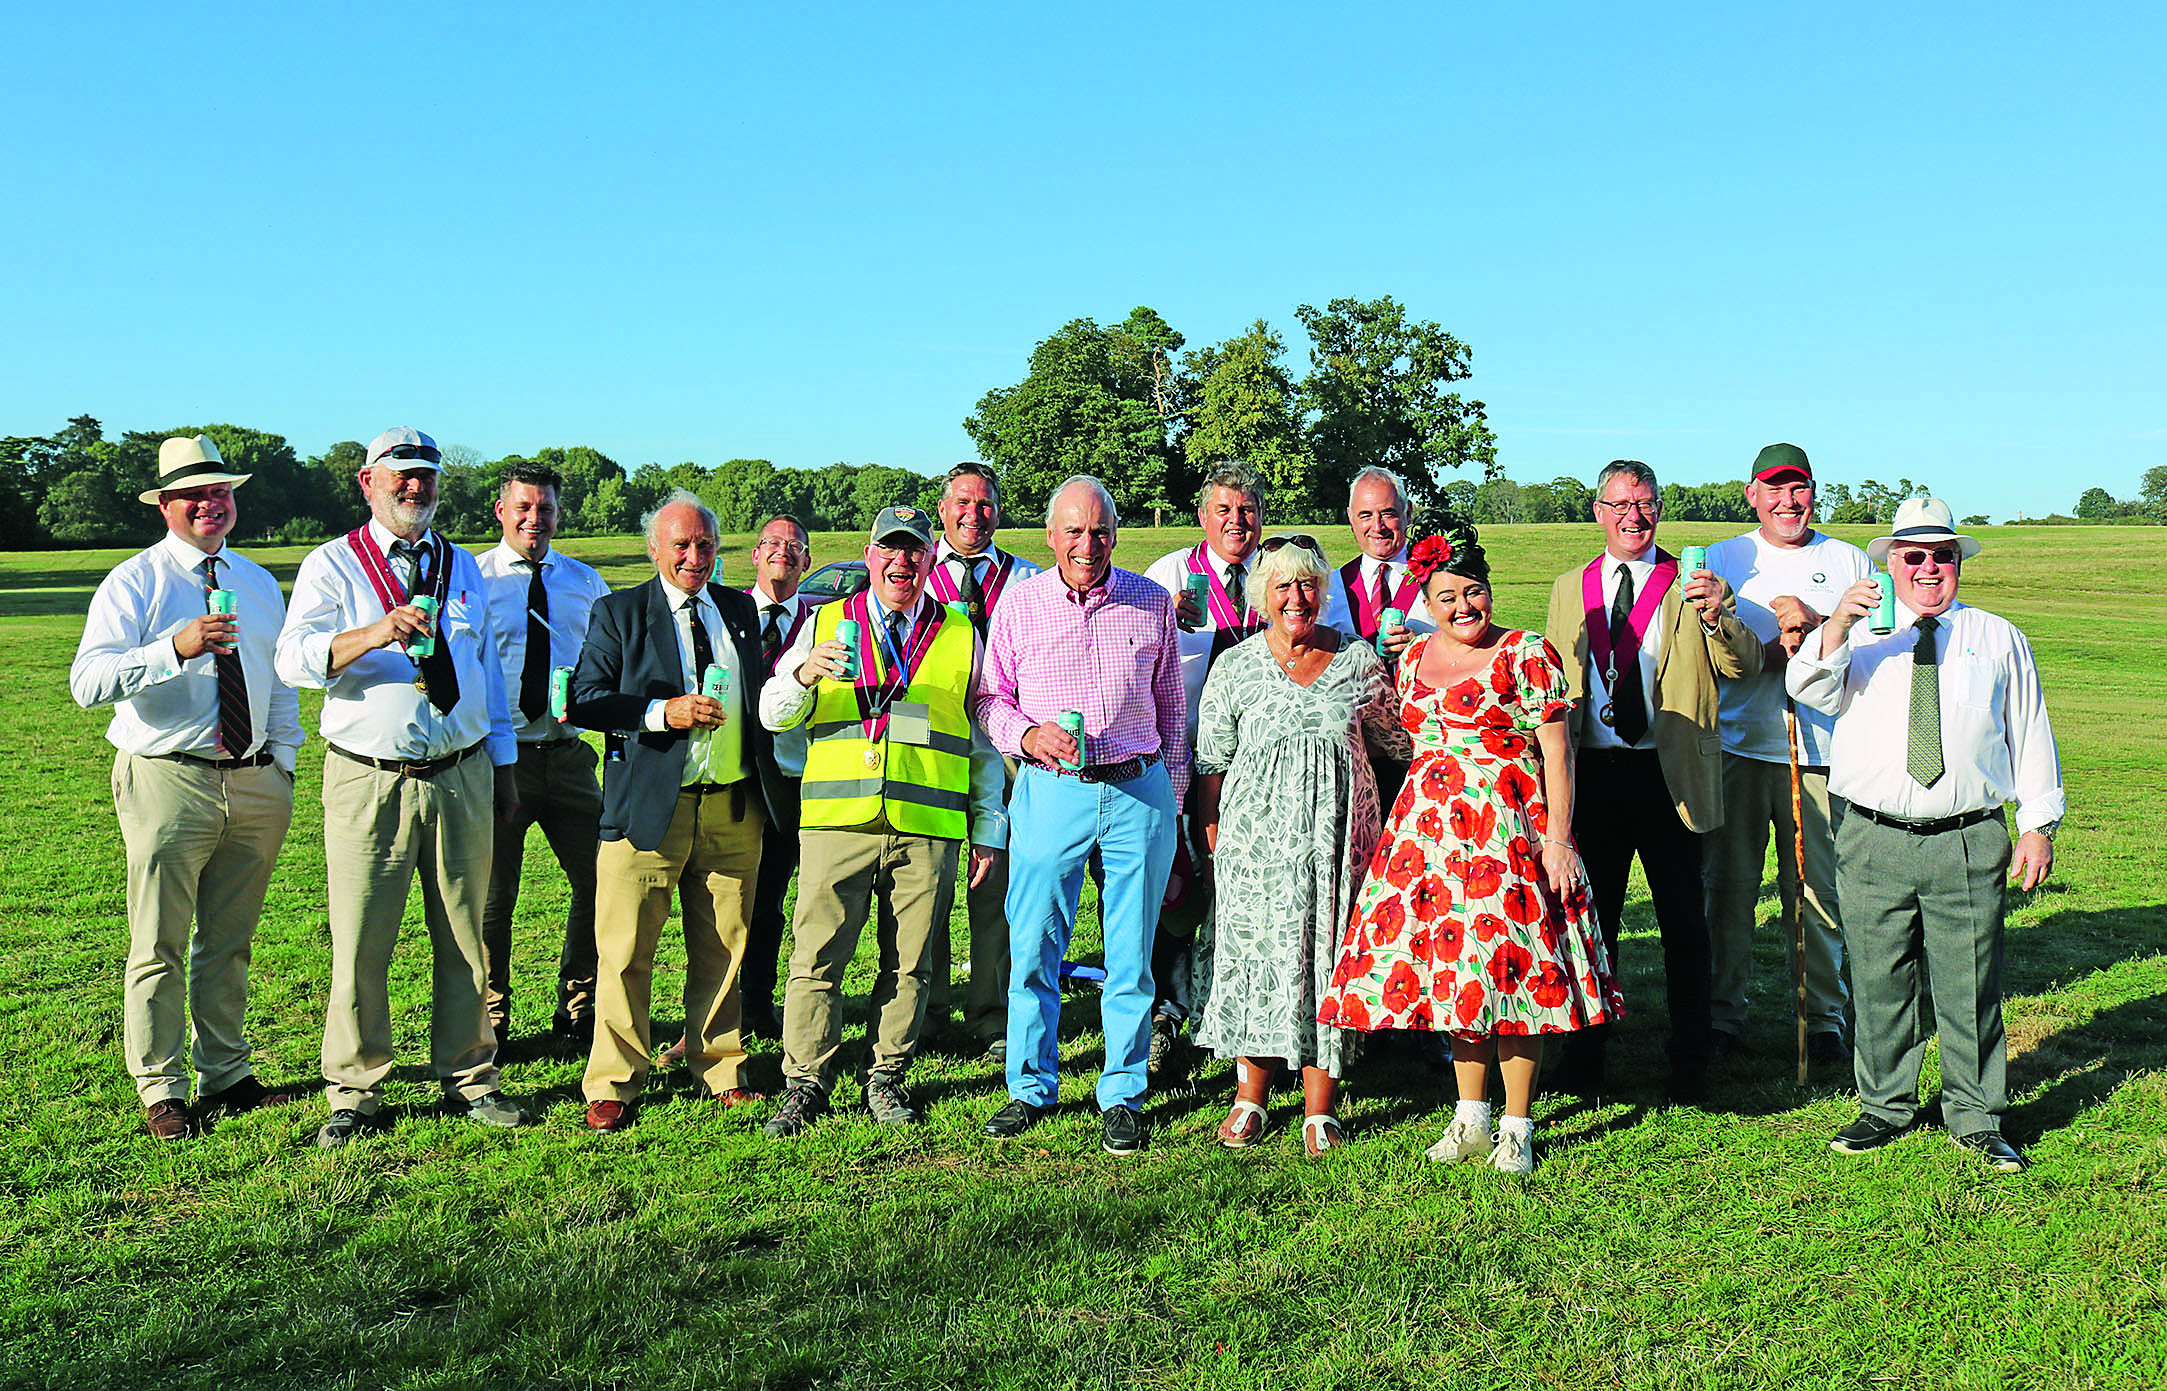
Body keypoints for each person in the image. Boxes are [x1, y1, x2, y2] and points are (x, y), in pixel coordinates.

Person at [1322, 524, 1621, 1174]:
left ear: (1489, 590)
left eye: (1473, 591)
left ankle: (1516, 1126)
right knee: (1459, 980)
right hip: (1430, 844)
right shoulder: (1408, 659)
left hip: (1508, 836)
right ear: (1424, 601)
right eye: (1447, 596)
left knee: (1515, 981)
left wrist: (1559, 841)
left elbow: (1558, 754)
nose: (1463, 607)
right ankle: (1468, 1119)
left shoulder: (1526, 652)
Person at [1790, 497, 2062, 1174]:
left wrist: (2036, 823)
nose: (1928, 567)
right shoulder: (1855, 633)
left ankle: (1975, 1116)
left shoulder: (1996, 636)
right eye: (1912, 555)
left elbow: (2028, 730)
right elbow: (1805, 690)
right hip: (1872, 835)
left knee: (1969, 981)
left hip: (1966, 836)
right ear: (1890, 562)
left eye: (1941, 554)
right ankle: (1883, 1106)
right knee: (1879, 976)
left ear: (1956, 562)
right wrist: (1836, 624)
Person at [275, 427, 528, 1148]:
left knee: (464, 938)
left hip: (462, 772)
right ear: (368, 482)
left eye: (427, 476)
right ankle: (354, 1091)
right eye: (402, 476)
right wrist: (374, 631)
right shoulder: (332, 565)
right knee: (361, 940)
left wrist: (503, 767)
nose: (416, 487)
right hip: (370, 778)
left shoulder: (461, 566)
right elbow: (294, 660)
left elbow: (487, 674)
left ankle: (471, 1076)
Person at [70, 434, 305, 1140]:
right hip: (168, 779)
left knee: (230, 941)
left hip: (256, 777)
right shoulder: (135, 582)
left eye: (222, 492)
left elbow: (280, 680)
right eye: (196, 495)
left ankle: (227, 1072)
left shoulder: (259, 581)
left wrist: (285, 761)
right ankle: (163, 1085)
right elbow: (87, 683)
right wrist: (174, 647)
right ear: (167, 505)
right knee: (160, 941)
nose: (212, 504)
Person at [758, 505, 1008, 1136]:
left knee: (913, 960)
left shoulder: (958, 633)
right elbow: (773, 714)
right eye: (889, 551)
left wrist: (986, 826)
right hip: (837, 820)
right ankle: (806, 1081)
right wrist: (803, 674)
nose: (902, 561)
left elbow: (979, 743)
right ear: (869, 557)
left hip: (926, 825)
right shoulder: (824, 622)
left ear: (931, 559)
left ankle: (887, 1075)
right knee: (816, 955)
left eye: (914, 551)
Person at [566, 490, 794, 1132]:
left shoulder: (740, 609)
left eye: (705, 545)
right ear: (655, 549)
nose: (695, 557)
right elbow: (583, 699)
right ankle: (614, 1080)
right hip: (648, 812)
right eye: (682, 546)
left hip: (732, 806)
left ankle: (719, 1067)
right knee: (626, 950)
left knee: (724, 946)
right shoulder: (619, 611)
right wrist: (658, 713)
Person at [975, 476, 1186, 1155]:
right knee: (1034, 942)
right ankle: (1029, 1084)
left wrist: (1174, 806)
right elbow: (988, 699)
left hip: (1136, 789)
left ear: (1115, 534)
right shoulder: (1019, 603)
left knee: (1130, 954)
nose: (1085, 544)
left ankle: (1121, 1089)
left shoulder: (1148, 600)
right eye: (1072, 531)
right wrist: (1027, 735)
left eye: (1098, 531)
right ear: (1049, 535)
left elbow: (1172, 711)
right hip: (1050, 790)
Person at [1542, 460, 1759, 1104]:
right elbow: (1551, 677)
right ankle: (1585, 1054)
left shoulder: (1689, 585)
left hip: (1670, 774)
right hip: (1593, 773)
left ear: (1658, 509)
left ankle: (1690, 1055)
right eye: (1620, 503)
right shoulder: (1566, 587)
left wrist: (1719, 613)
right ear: (1598, 510)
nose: (1632, 515)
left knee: (1683, 925)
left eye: (1645, 503)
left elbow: (1741, 666)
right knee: (1593, 920)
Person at [1191, 533, 1407, 1155]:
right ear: (1262, 595)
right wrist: (1211, 838)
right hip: (1254, 848)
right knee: (1260, 959)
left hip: (1339, 843)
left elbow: (1399, 742)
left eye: (1308, 584)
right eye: (1282, 585)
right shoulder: (1236, 665)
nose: (1296, 597)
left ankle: (1320, 1108)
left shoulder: (1359, 661)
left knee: (1327, 958)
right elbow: (1211, 761)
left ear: (1323, 592)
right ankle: (1250, 1097)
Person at [1702, 444, 1872, 1066]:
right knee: (1729, 889)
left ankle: (1825, 1017)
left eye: (1797, 489)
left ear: (1813, 492)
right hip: (1739, 747)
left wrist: (1818, 619)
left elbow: (1876, 642)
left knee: (1816, 890)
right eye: (1773, 490)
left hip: (1822, 751)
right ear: (1752, 495)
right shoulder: (1726, 559)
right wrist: (1774, 651)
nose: (1787, 502)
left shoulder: (1845, 558)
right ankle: (1724, 1015)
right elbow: (1704, 648)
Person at [475, 462, 612, 1046]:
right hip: (495, 758)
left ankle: (579, 1005)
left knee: (601, 878)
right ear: (502, 511)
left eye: (546, 509)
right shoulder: (473, 578)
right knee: (492, 896)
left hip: (567, 754)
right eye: (524, 508)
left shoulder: (584, 582)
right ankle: (491, 1015)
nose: (536, 519)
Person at [1141, 460, 1268, 1079]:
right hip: (1183, 758)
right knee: (1177, 888)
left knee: (1245, 890)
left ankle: (1238, 1016)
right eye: (1224, 510)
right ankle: (1167, 1015)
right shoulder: (1169, 574)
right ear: (1202, 516)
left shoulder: (1278, 575)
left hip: (1261, 766)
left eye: (1247, 510)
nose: (1236, 522)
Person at [922, 462, 1041, 1059]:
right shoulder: (917, 573)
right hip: (937, 743)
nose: (974, 513)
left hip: (1010, 744)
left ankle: (992, 1011)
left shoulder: (1026, 579)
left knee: (998, 882)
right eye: (962, 502)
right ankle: (928, 1006)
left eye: (986, 503)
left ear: (1000, 510)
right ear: (942, 509)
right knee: (932, 878)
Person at [738, 513, 819, 1041]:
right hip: (740, 780)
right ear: (755, 554)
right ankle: (741, 1008)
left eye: (794, 546)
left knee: (805, 902)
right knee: (744, 901)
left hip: (805, 780)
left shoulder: (826, 619)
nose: (782, 552)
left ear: (807, 561)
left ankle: (778, 1006)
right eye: (772, 543)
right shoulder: (728, 612)